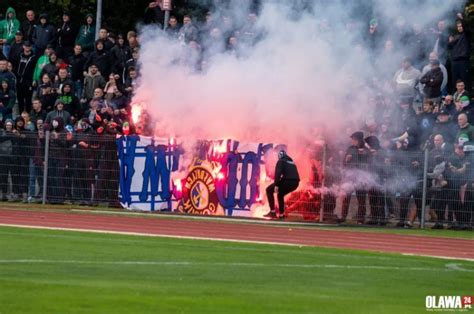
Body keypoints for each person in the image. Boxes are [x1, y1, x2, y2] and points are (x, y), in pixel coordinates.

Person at [264, 150, 300, 219]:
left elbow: (278, 173)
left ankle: (272, 212)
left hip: (288, 181)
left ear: (280, 156)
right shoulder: (292, 162)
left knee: (268, 190)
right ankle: (281, 215)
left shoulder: (281, 161)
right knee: (280, 194)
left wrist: (276, 185)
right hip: (295, 183)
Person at [448, 19, 471, 92]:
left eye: (461, 26)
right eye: (458, 26)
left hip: (463, 61)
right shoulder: (455, 36)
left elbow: (467, 27)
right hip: (454, 61)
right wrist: (450, 42)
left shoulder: (466, 34)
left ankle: (467, 97)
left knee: (465, 79)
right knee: (455, 80)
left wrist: (461, 18)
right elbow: (449, 47)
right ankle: (455, 97)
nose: (459, 28)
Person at [14, 41, 37, 113]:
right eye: (26, 46)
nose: (27, 47)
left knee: (28, 99)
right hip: (19, 80)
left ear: (30, 47)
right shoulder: (19, 55)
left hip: (28, 81)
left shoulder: (33, 57)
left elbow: (35, 70)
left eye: (29, 46)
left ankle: (27, 115)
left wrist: (34, 80)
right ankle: (21, 114)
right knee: (20, 99)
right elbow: (15, 66)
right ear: (23, 46)